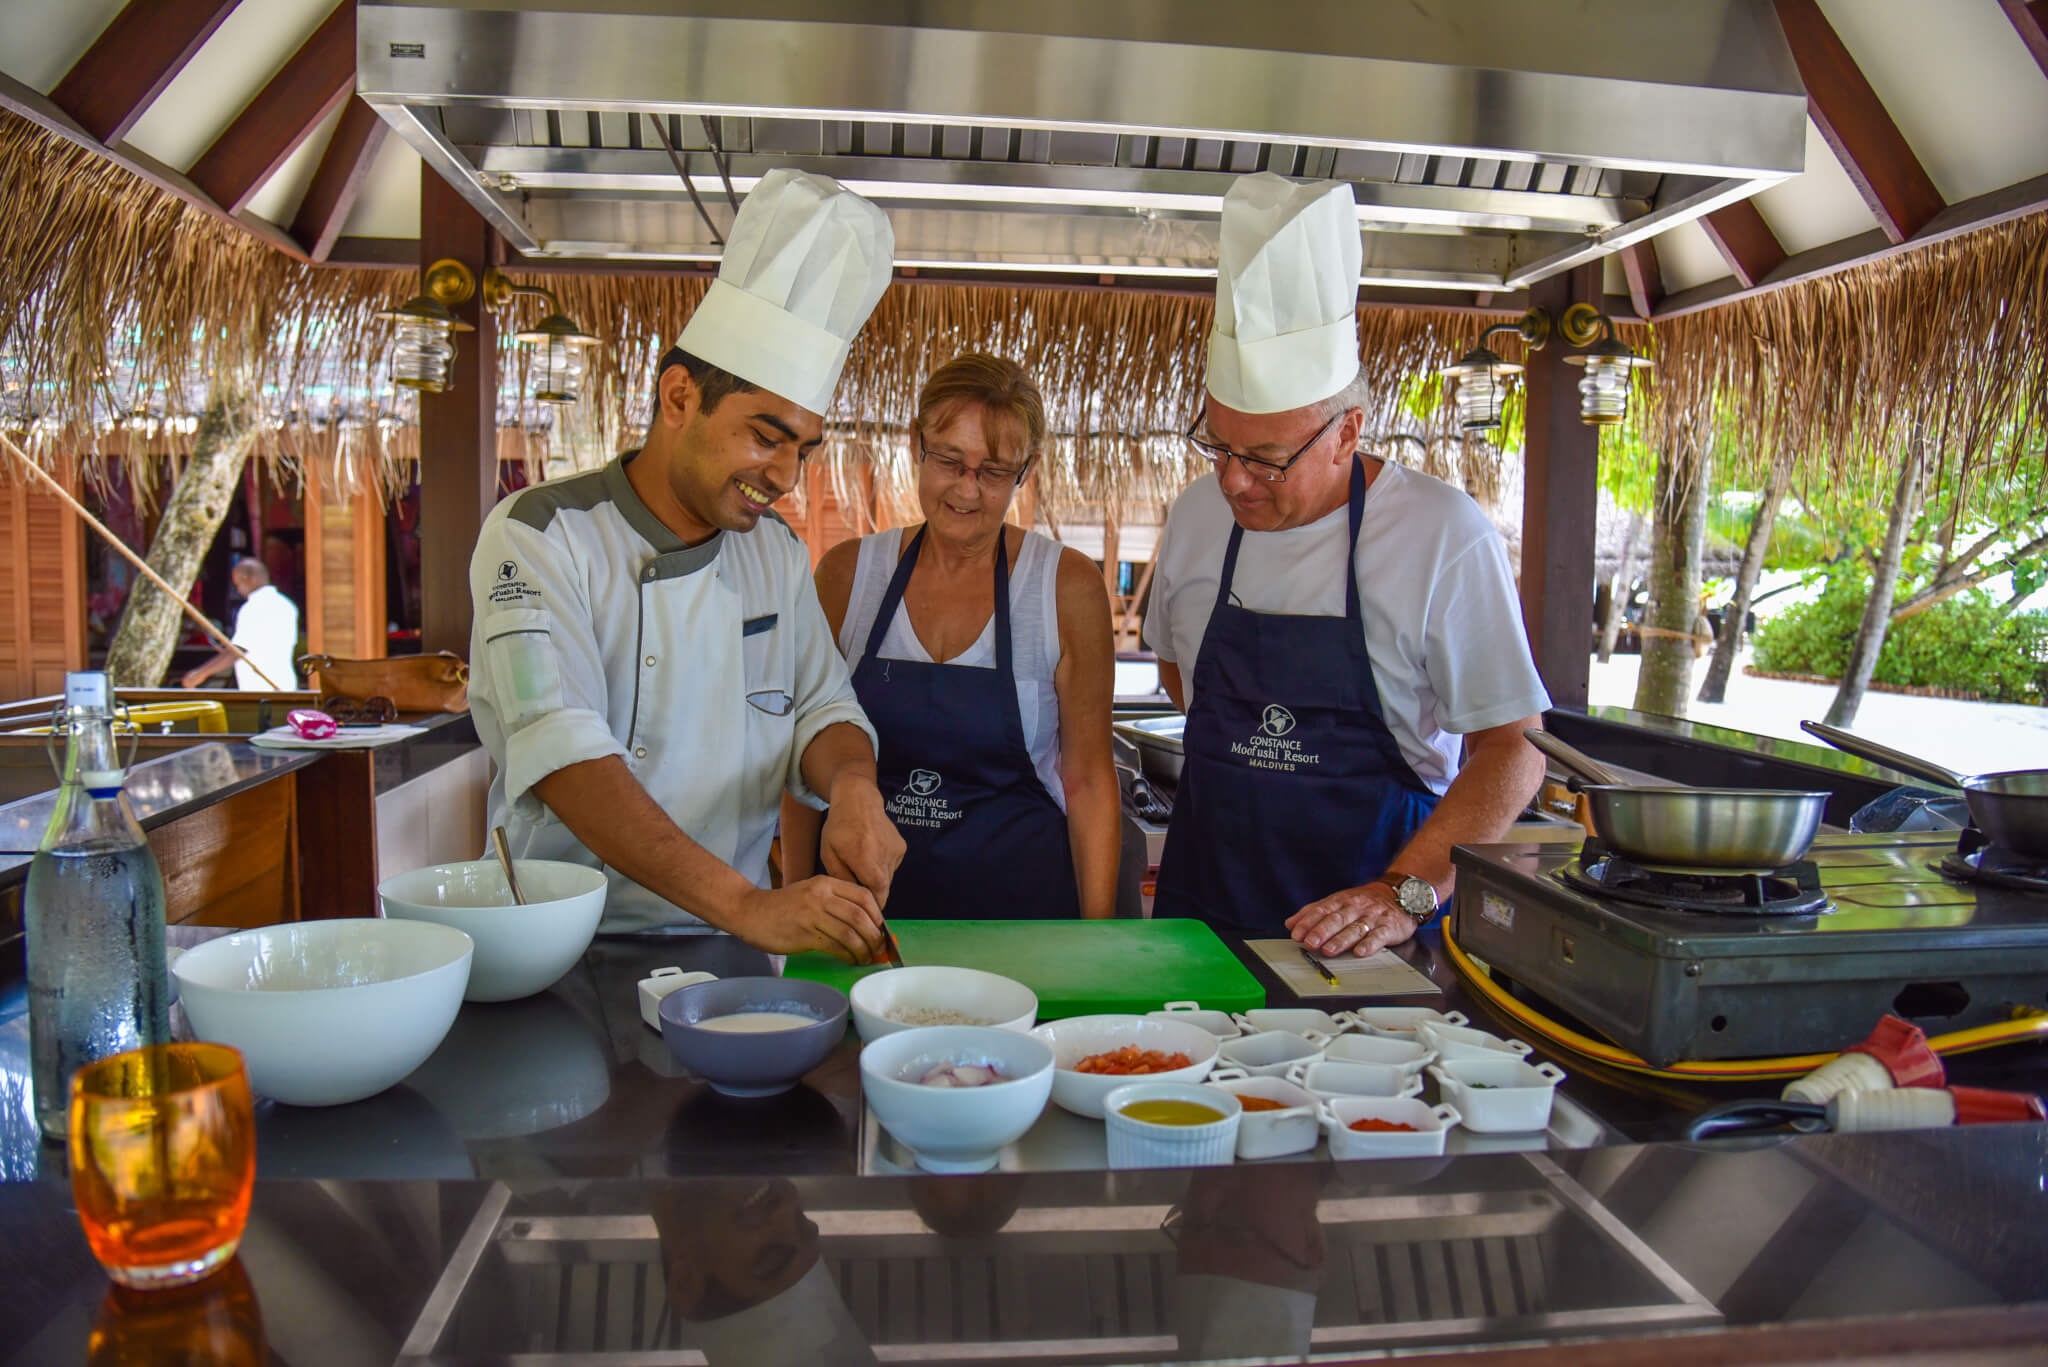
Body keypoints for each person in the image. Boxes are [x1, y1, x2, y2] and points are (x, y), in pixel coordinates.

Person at [466, 169, 906, 962]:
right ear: (678, 398)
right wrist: (749, 903)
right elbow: (565, 755)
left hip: (722, 948)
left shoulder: (771, 552)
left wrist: (853, 788)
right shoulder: (539, 537)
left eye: (801, 450)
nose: (784, 476)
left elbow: (822, 709)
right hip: (561, 948)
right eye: (765, 436)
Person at [1145, 173, 1549, 957]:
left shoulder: (1440, 534)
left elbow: (1516, 747)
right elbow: (1176, 671)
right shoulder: (1198, 517)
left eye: (1265, 458)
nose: (1232, 480)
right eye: (1218, 445)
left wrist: (1405, 890)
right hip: (1200, 927)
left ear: (1347, 430)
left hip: (1370, 942)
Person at [784, 355, 1119, 919]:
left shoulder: (1066, 587)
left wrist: (1098, 940)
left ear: (1026, 469)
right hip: (866, 918)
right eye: (949, 460)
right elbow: (801, 760)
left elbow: (1088, 779)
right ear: (918, 444)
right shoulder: (847, 577)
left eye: (993, 471)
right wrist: (794, 898)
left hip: (1022, 919)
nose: (967, 490)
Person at [181, 558, 298, 690]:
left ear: (247, 578)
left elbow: (239, 651)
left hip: (261, 687)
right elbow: (262, 645)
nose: (238, 590)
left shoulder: (253, 607)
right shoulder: (286, 605)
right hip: (286, 684)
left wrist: (199, 675)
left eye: (238, 584)